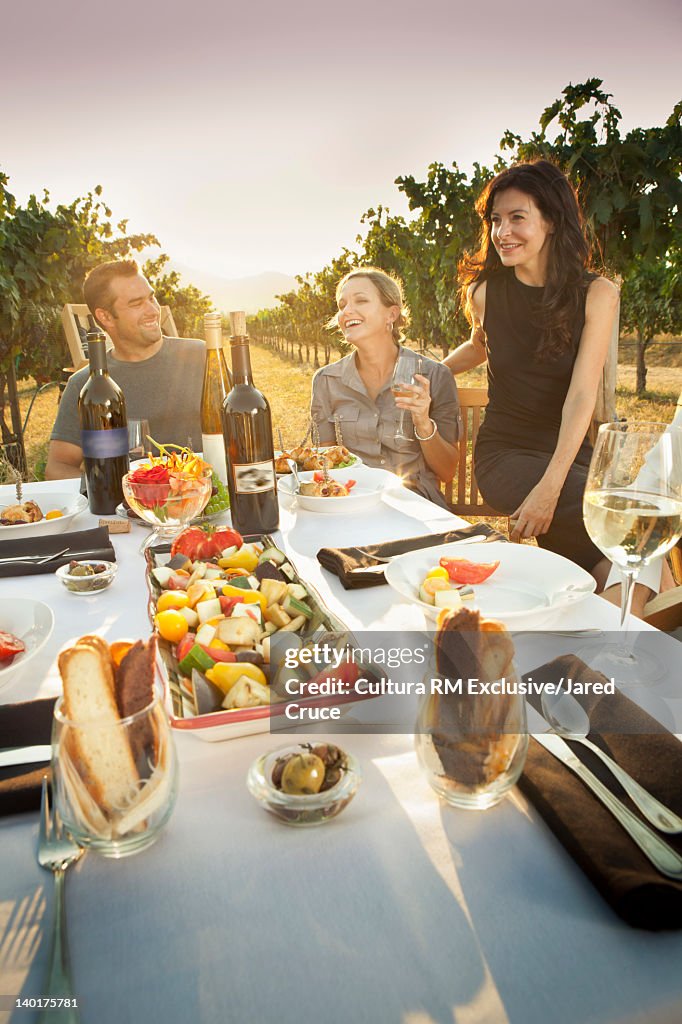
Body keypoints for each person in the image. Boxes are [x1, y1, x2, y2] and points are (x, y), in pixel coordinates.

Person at [444, 159, 619, 585]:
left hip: (571, 457)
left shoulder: (597, 294)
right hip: (506, 457)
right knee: (626, 519)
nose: (502, 232)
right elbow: (480, 344)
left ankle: (616, 642)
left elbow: (582, 395)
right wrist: (431, 372)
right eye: (496, 220)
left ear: (553, 221)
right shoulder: (484, 292)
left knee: (602, 567)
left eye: (517, 218)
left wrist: (550, 487)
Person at [310, 267, 460, 507]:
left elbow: (447, 471)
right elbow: (323, 467)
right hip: (351, 501)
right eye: (341, 305)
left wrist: (422, 421)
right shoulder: (327, 380)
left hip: (416, 502)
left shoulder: (434, 375)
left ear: (391, 314)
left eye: (361, 300)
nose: (347, 311)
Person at [46, 260, 205, 479]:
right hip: (130, 509)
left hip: (207, 501)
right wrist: (116, 493)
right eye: (136, 303)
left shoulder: (202, 357)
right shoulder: (84, 385)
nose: (153, 310)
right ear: (106, 317)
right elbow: (58, 467)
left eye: (151, 297)